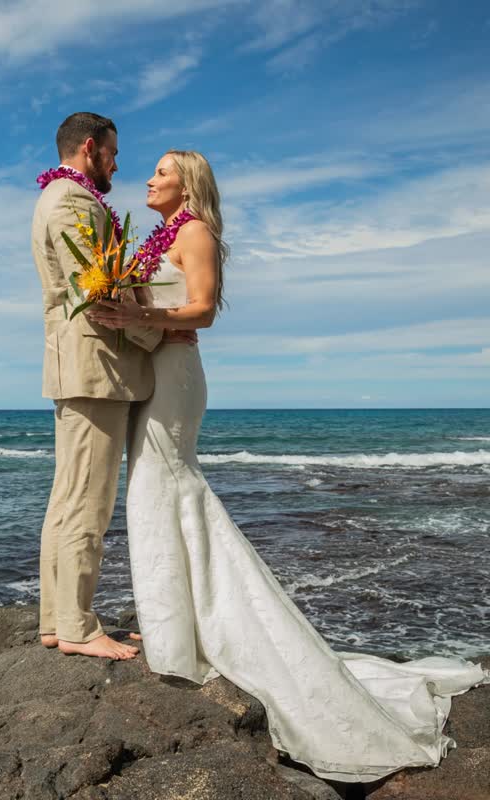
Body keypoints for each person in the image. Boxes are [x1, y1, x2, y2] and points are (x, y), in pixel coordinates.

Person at [87, 149, 489, 782]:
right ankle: (179, 628)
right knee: (153, 490)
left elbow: (204, 309)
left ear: (187, 184)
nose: (149, 179)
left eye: (162, 172)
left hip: (177, 371)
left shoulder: (196, 232)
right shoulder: (159, 236)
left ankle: (190, 634)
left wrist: (140, 314)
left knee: (165, 485)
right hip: (154, 367)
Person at [31, 113, 193, 661]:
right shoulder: (72, 202)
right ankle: (77, 627)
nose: (118, 165)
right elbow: (96, 291)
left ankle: (57, 620)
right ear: (90, 147)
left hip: (86, 368)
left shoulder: (67, 198)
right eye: (113, 153)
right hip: (95, 368)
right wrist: (159, 334)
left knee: (69, 498)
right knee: (87, 504)